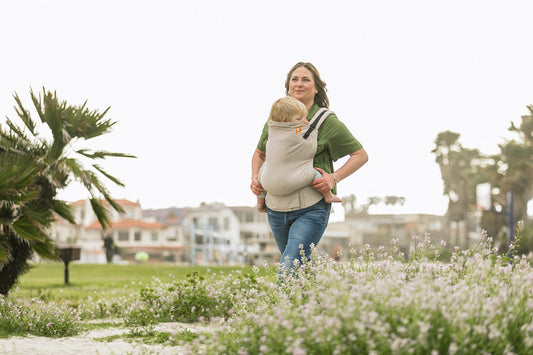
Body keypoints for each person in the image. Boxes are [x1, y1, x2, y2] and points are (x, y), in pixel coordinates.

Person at [250, 62, 368, 275]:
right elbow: (260, 154)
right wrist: (255, 178)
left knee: (288, 267)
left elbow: (360, 155)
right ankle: (316, 306)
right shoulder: (275, 121)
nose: (299, 84)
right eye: (294, 79)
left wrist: (333, 178)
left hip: (311, 207)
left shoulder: (326, 121)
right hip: (276, 208)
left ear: (316, 88)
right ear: (288, 86)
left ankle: (281, 308)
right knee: (299, 269)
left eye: (306, 80)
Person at [256, 96, 342, 212]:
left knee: (260, 177)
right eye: (299, 118)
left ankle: (260, 202)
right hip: (294, 173)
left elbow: (261, 152)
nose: (303, 121)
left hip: (270, 176)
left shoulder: (272, 129)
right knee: (316, 174)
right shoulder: (294, 131)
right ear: (285, 120)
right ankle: (328, 196)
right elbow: (304, 141)